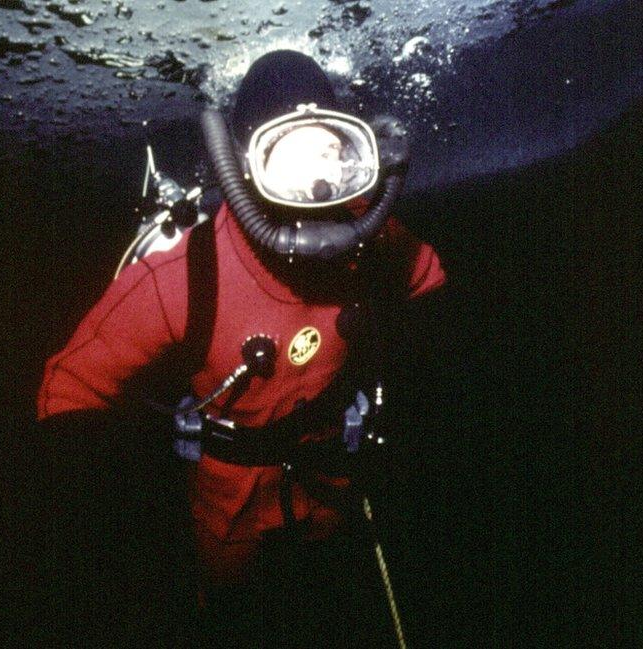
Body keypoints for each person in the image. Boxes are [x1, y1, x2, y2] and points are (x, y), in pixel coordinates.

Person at [37, 50, 446, 647]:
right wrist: (114, 525)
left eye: (331, 152)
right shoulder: (185, 277)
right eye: (291, 160)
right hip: (228, 503)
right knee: (231, 620)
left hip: (334, 479)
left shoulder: (375, 238)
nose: (320, 184)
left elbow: (427, 280)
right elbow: (67, 392)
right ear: (244, 165)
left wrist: (392, 380)